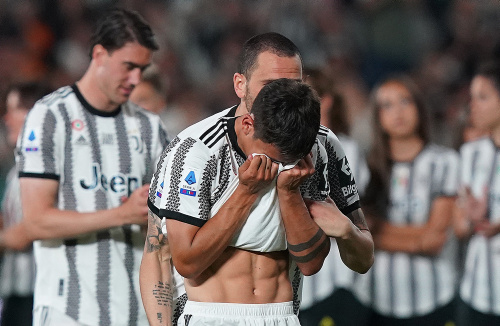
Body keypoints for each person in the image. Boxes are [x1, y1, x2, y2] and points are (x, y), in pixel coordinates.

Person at [141, 32, 373, 326]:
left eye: (293, 85)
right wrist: (247, 191)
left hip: (282, 315)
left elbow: (315, 263)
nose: (283, 95)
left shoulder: (321, 145)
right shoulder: (195, 149)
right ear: (240, 85)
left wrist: (291, 196)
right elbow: (172, 258)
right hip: (209, 316)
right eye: (270, 85)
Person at [17, 8, 168, 326]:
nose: (136, 80)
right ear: (99, 54)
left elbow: (162, 225)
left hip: (135, 311)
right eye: (128, 67)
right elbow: (36, 221)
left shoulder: (149, 128)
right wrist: (122, 215)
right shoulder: (48, 117)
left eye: (142, 69)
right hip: (67, 311)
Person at [352, 76, 459, 326]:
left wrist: (376, 233)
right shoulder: (362, 167)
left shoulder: (445, 162)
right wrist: (417, 237)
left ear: (420, 107)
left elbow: (434, 241)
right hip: (373, 300)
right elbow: (356, 237)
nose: (397, 112)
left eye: (405, 101)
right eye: (386, 105)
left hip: (434, 298)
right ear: (377, 116)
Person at [300, 67, 371, 326]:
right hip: (301, 286)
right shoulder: (285, 148)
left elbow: (343, 208)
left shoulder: (346, 148)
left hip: (339, 281)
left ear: (327, 100)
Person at [0, 82, 51, 326]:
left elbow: (25, 232)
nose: (6, 118)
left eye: (14, 109)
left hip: (36, 293)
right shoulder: (17, 167)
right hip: (16, 290)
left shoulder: (43, 166)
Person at [454, 62, 500, 326]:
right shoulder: (470, 154)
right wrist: (471, 218)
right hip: (476, 293)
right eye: (472, 97)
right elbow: (460, 229)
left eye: (483, 97)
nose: (473, 105)